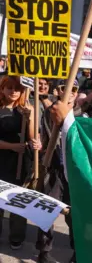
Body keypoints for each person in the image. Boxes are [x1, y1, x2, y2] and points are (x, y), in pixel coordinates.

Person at [37, 80, 81, 263]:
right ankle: (44, 251)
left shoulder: (83, 115)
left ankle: (76, 251)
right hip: (54, 170)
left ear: (77, 93)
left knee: (75, 215)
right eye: (64, 88)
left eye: (74, 89)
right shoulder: (48, 113)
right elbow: (45, 140)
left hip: (74, 173)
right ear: (58, 91)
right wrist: (40, 146)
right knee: (46, 210)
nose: (69, 91)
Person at [0, 76, 42, 250]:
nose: (13, 92)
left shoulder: (27, 108)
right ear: (2, 89)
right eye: (9, 88)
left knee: (18, 200)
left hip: (20, 163)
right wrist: (11, 146)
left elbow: (33, 137)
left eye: (17, 88)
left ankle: (16, 236)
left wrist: (30, 118)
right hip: (2, 161)